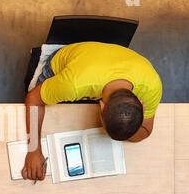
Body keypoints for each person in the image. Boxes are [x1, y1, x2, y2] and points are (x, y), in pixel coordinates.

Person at [22, 41, 162, 181]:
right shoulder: (72, 85)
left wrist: (130, 123)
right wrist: (34, 150)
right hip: (68, 62)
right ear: (100, 107)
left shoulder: (151, 86)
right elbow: (33, 100)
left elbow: (145, 132)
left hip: (106, 62)